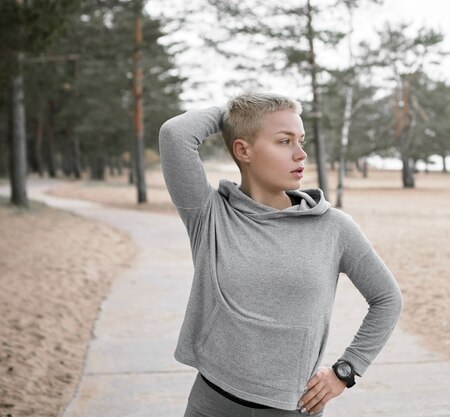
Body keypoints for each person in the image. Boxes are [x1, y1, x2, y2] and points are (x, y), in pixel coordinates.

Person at [158, 91, 404, 417]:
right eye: (284, 141)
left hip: (292, 409)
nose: (301, 154)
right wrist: (234, 114)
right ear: (243, 150)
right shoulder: (209, 215)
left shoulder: (334, 228)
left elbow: (387, 299)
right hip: (210, 405)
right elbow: (175, 134)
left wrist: (346, 370)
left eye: (301, 141)